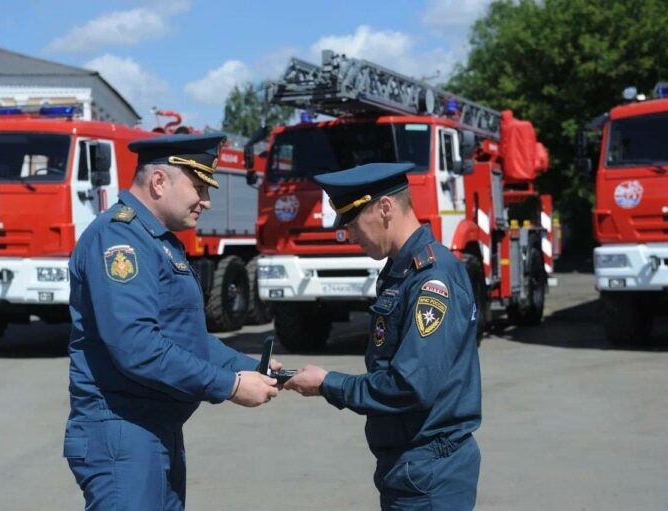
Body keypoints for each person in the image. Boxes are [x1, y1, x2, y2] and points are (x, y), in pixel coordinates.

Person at [63, 133, 280, 510]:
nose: (207, 201)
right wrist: (230, 385)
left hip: (153, 429)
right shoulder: (119, 239)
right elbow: (139, 347)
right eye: (199, 187)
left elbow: (185, 337)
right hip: (123, 434)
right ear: (159, 181)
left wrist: (250, 367)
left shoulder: (155, 240)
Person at [285, 163, 482, 510]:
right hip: (410, 464)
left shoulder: (431, 280)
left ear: (385, 208)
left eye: (353, 223)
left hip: (428, 469)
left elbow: (410, 385)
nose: (349, 236)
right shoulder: (401, 271)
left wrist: (329, 383)